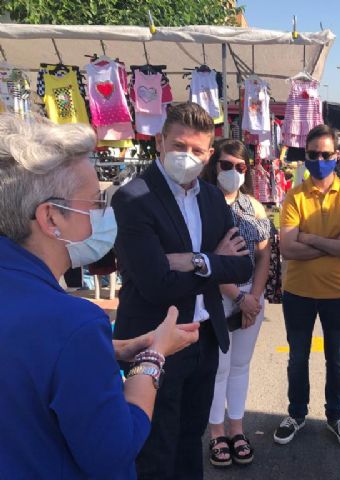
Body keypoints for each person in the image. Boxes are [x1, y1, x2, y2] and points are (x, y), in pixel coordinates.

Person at [0, 114, 200, 479]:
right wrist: (154, 356)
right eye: (94, 204)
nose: (102, 215)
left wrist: (109, 349)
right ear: (51, 218)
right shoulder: (72, 323)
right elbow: (116, 448)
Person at [112, 103, 253, 480]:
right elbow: (156, 283)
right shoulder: (133, 197)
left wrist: (191, 260)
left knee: (191, 440)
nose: (186, 157)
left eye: (196, 150)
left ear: (209, 154)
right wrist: (211, 261)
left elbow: (241, 265)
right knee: (155, 447)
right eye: (179, 145)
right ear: (160, 141)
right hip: (153, 339)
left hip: (203, 339)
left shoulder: (210, 197)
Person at [273, 124, 340, 448]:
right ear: (306, 156)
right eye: (313, 155)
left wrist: (308, 239)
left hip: (338, 294)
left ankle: (335, 416)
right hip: (298, 292)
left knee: (336, 359)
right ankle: (296, 413)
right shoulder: (294, 196)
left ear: (336, 156)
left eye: (326, 154)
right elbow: (287, 248)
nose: (320, 159)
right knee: (297, 357)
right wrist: (331, 242)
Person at [201, 140, 271, 468]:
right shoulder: (202, 204)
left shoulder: (255, 207)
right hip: (218, 296)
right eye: (226, 165)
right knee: (219, 368)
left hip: (251, 297)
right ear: (215, 165)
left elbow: (264, 255)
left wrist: (253, 298)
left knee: (241, 365)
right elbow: (206, 260)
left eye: (240, 167)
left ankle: (237, 428)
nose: (232, 172)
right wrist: (239, 298)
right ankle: (217, 432)